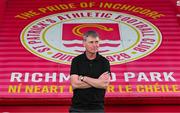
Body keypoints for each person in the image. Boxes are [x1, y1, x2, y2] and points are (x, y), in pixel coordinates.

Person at [69, 30, 111, 113]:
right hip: (77, 108)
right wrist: (97, 81)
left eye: (97, 42)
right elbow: (75, 84)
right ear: (84, 43)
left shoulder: (104, 62)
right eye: (91, 42)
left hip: (97, 108)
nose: (95, 45)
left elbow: (104, 84)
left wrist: (83, 78)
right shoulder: (76, 61)